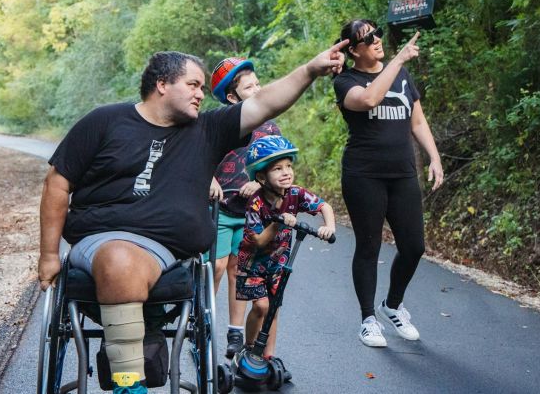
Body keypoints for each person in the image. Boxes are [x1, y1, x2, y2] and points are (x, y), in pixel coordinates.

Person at [38, 45, 346, 394]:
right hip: (101, 240)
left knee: (124, 259)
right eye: (194, 85)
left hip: (170, 250)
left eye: (203, 87)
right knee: (118, 256)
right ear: (162, 84)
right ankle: (128, 384)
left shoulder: (207, 129)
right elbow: (57, 183)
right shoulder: (103, 121)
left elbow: (264, 103)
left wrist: (309, 70)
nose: (202, 94)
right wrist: (49, 254)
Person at [332, 20, 443, 348]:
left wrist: (434, 158)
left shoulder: (403, 76)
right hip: (363, 175)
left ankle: (392, 305)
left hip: (402, 173)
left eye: (377, 33)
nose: (377, 40)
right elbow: (367, 100)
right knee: (369, 246)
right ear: (353, 49)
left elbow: (417, 120)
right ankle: (368, 319)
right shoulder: (346, 81)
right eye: (368, 38)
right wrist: (398, 60)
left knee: (414, 247)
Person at [236, 135, 335, 361]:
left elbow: (324, 206)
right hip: (254, 263)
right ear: (261, 176)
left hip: (279, 263)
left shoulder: (295, 193)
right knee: (261, 306)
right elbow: (259, 241)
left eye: (289, 166)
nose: (286, 172)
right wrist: (278, 221)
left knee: (274, 306)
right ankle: (249, 347)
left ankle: (269, 355)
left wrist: (328, 227)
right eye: (278, 168)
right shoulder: (256, 202)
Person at [207, 57, 281, 359]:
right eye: (249, 87)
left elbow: (278, 167)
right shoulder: (220, 123)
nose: (258, 88)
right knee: (217, 266)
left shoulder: (270, 127)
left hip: (251, 213)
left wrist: (261, 185)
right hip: (221, 210)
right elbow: (198, 155)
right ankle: (204, 322)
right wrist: (209, 178)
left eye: (258, 83)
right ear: (232, 96)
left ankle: (235, 331)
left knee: (240, 268)